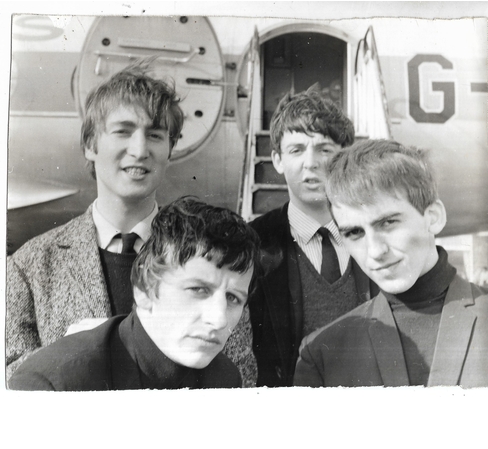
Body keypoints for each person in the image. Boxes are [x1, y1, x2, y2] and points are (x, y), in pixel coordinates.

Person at [6, 62, 256, 386]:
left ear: (170, 148)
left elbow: (241, 378)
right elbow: (10, 384)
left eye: (155, 135)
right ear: (90, 145)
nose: (139, 151)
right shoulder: (29, 266)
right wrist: (79, 349)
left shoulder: (214, 257)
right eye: (123, 131)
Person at [294, 139, 488, 387]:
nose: (375, 251)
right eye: (355, 233)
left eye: (388, 223)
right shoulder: (322, 352)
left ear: (433, 218)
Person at [9, 197, 261, 390]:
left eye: (233, 298)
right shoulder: (54, 383)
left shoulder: (225, 378)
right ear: (144, 291)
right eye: (198, 289)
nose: (219, 319)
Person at [248, 87, 376, 387]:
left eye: (325, 149)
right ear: (277, 160)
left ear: (344, 156)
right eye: (296, 150)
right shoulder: (255, 242)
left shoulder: (375, 237)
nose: (311, 162)